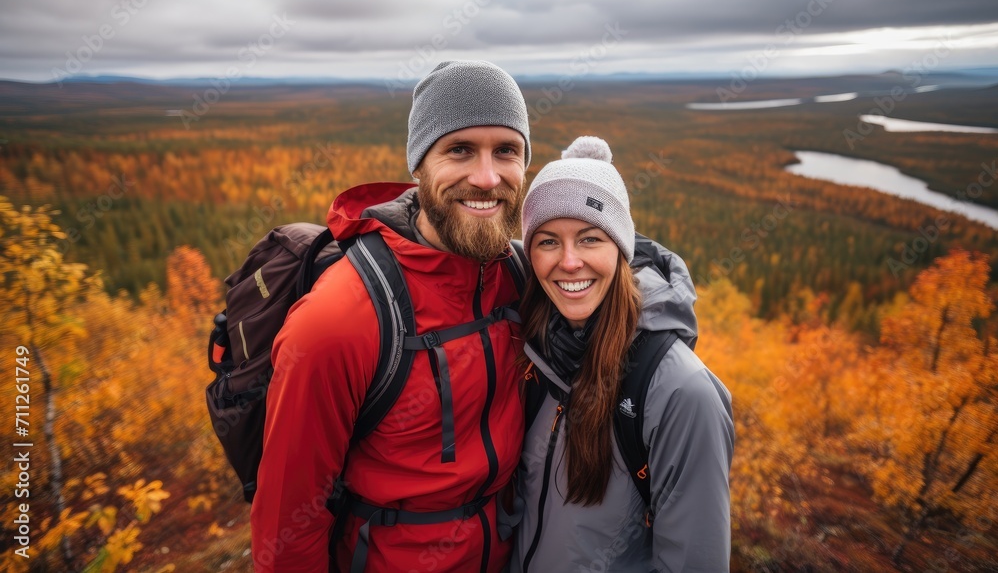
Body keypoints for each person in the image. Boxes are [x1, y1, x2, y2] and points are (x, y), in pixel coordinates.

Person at [250, 60, 531, 572]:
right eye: (460, 150)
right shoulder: (338, 320)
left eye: (506, 151)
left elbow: (598, 265)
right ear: (419, 166)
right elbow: (287, 524)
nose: (487, 177)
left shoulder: (517, 275)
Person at [510, 136, 735, 572]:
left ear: (622, 249)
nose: (569, 262)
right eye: (548, 241)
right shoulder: (535, 350)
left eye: (590, 238)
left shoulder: (681, 393)